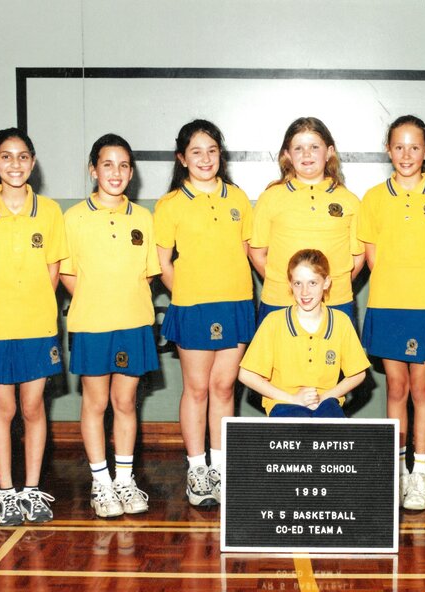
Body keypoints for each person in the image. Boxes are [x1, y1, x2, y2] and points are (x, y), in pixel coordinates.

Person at [0, 128, 66, 526]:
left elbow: (54, 269)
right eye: (6, 157)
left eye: (23, 156)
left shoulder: (50, 211)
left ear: (33, 161)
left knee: (33, 406)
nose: (15, 164)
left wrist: (34, 307)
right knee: (3, 407)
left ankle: (32, 490)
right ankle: (6, 493)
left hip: (38, 327)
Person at [358, 115, 425, 511]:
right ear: (388, 150)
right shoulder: (373, 197)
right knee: (396, 388)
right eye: (398, 146)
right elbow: (372, 255)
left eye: (414, 147)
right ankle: (396, 470)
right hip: (387, 306)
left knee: (422, 388)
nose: (406, 154)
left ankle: (420, 472)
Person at [155, 120, 255, 507]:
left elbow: (250, 251)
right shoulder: (170, 204)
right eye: (196, 151)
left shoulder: (238, 199)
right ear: (182, 158)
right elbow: (163, 263)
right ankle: (197, 470)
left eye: (212, 150)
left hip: (236, 304)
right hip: (193, 308)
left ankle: (221, 467)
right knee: (197, 389)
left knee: (224, 388)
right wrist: (189, 296)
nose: (205, 158)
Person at [61, 133, 161, 518]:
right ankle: (101, 483)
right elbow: (68, 275)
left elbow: (148, 274)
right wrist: (97, 300)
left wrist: (123, 300)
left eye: (123, 165)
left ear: (131, 172)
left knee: (124, 402)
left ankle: (124, 479)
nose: (115, 172)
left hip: (134, 323)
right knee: (96, 402)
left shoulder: (143, 218)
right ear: (93, 170)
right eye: (107, 164)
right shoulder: (74, 218)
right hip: (91, 324)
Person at [249, 117, 364, 325]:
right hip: (280, 302)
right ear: (287, 155)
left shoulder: (349, 201)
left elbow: (358, 257)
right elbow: (257, 253)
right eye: (299, 148)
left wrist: (329, 286)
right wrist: (288, 285)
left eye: (314, 147)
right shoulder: (270, 198)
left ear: (329, 152)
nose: (307, 154)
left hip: (335, 302)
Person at [239, 249, 369, 418]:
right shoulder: (274, 321)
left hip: (325, 404)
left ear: (326, 282)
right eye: (298, 283)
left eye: (313, 283)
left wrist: (324, 397)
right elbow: (246, 374)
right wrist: (294, 400)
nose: (304, 292)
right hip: (284, 403)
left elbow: (358, 373)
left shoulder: (340, 321)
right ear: (290, 284)